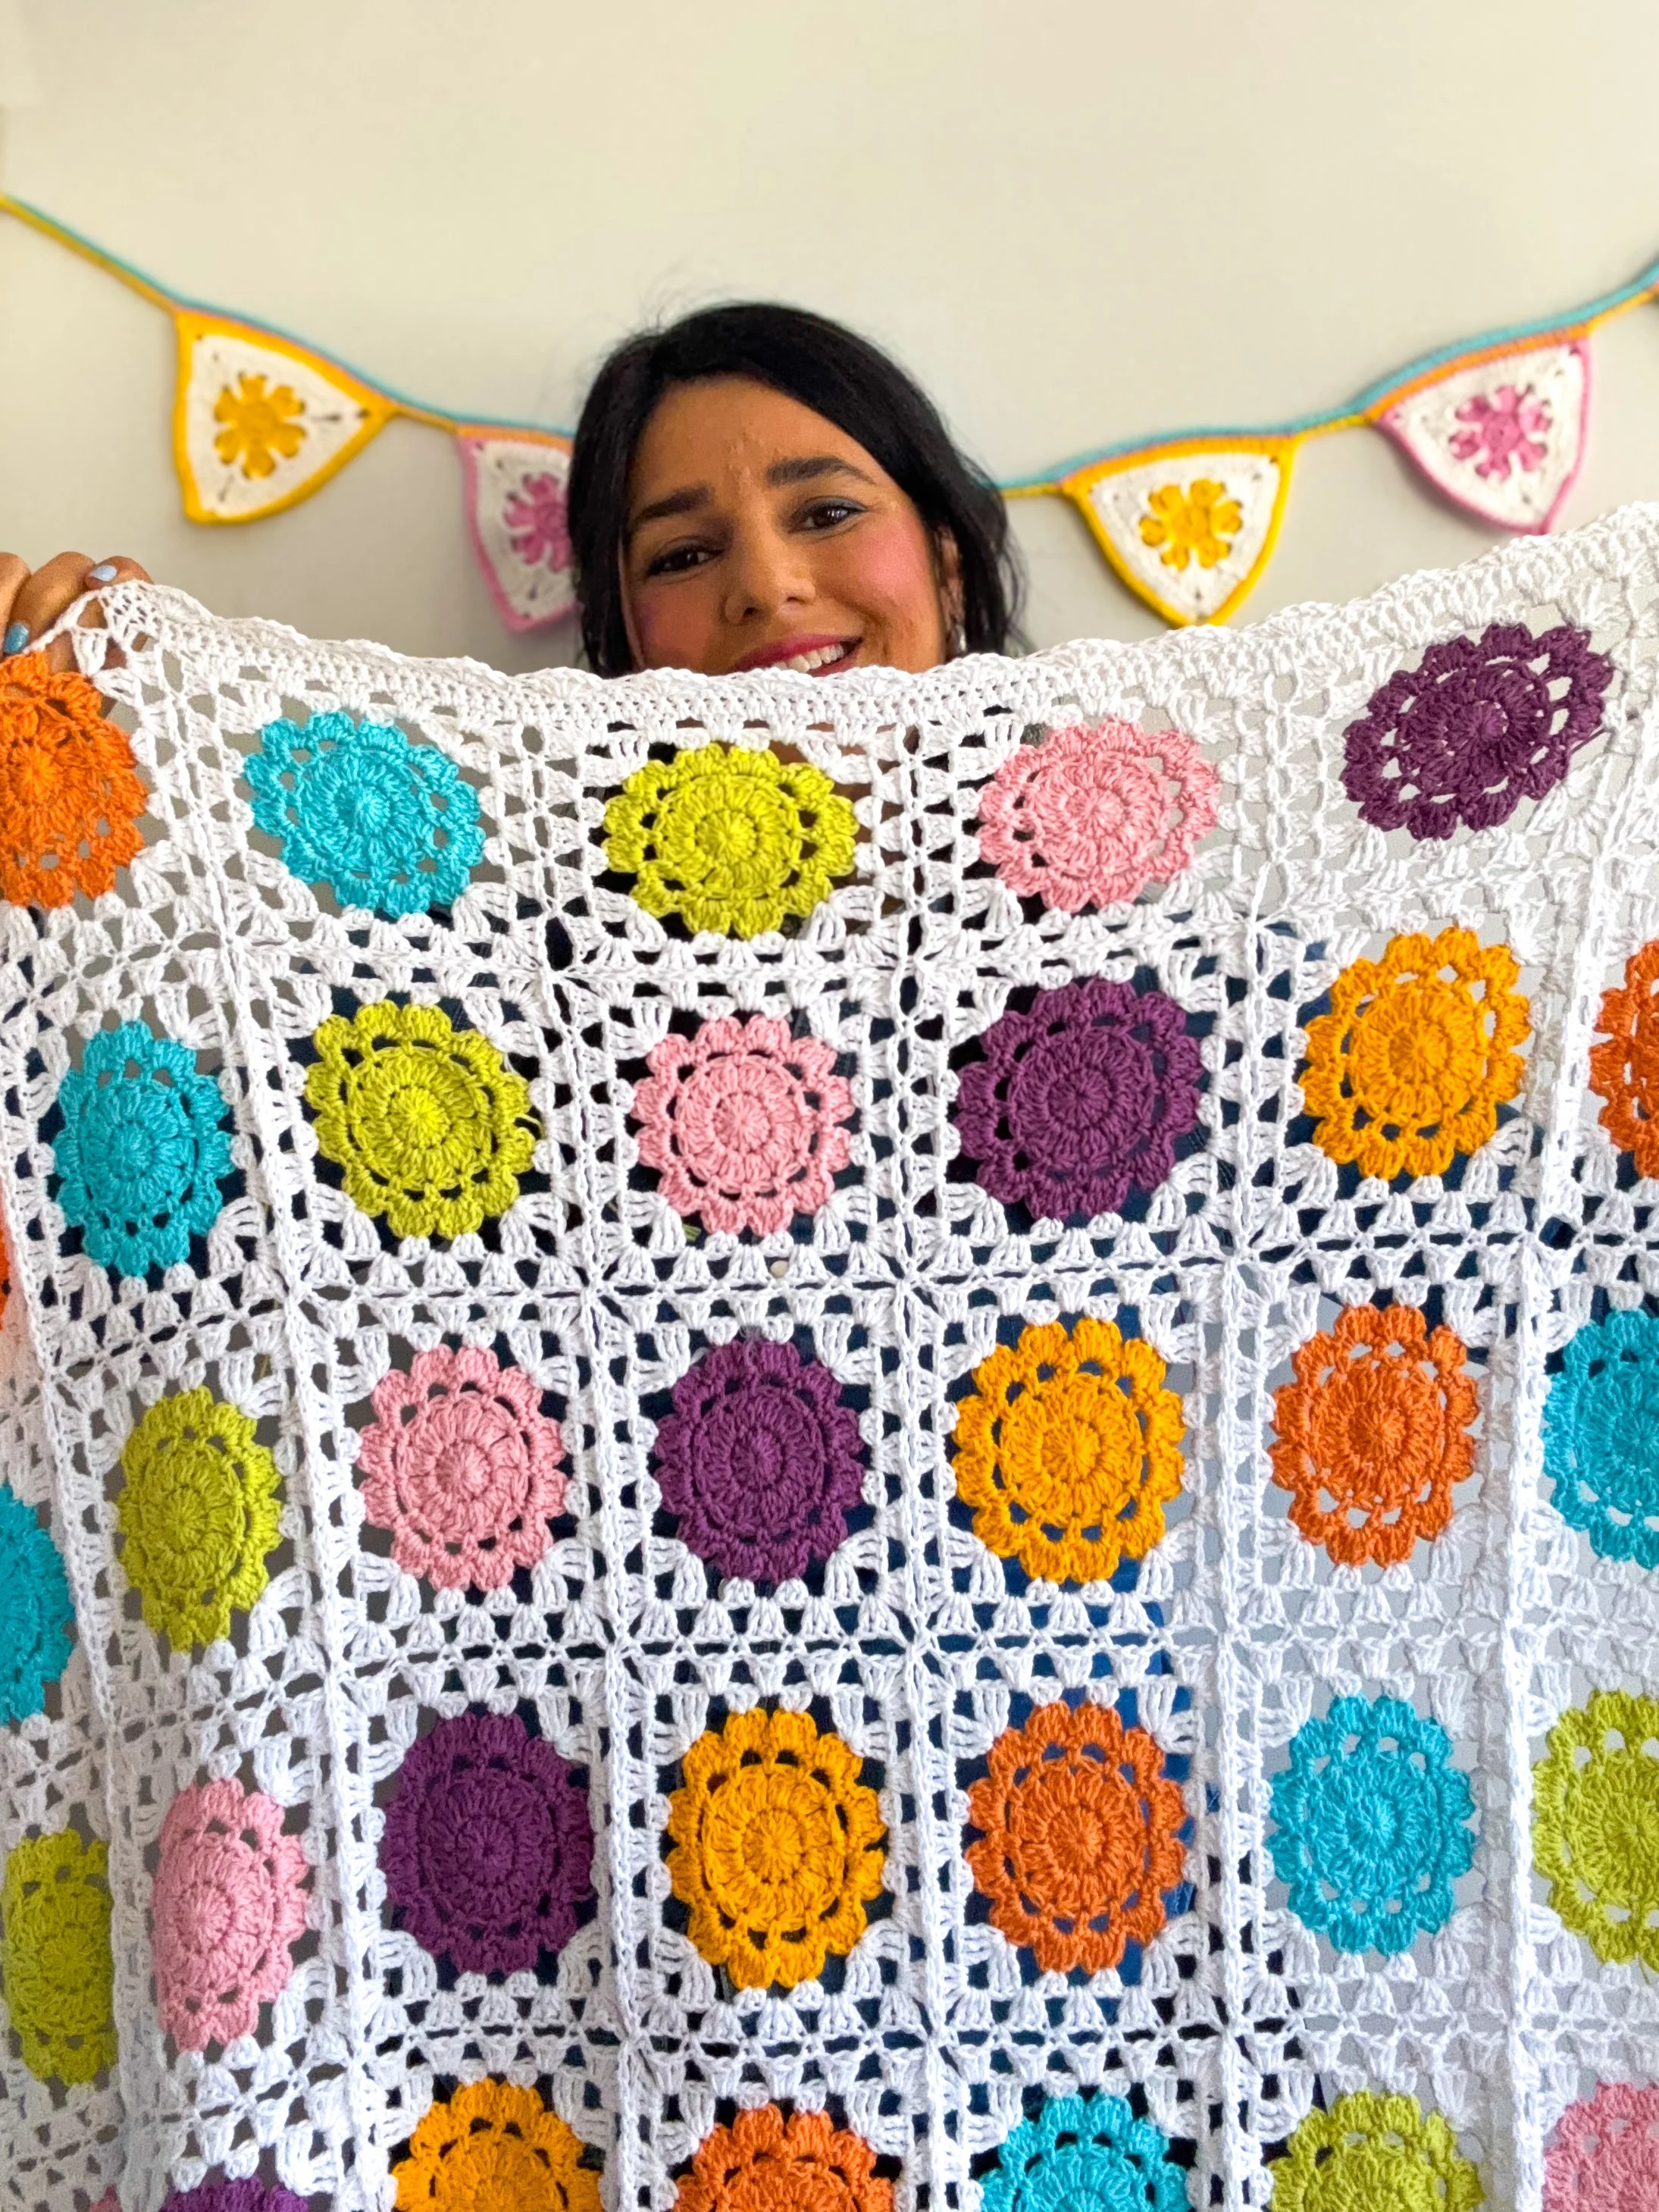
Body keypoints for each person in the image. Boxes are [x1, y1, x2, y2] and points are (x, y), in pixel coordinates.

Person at [0, 302, 1021, 679]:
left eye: (828, 512)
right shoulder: (475, 990)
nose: (765, 586)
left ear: (945, 552)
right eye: (682, 554)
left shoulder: (1152, 990)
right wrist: (98, 748)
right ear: (618, 625)